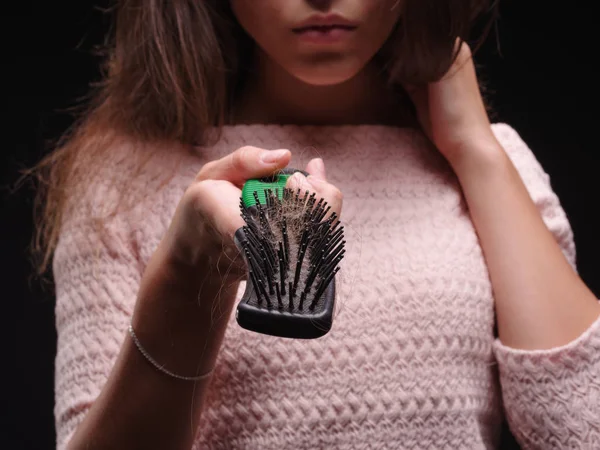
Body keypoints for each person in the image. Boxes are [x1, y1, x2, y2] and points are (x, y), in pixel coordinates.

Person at [28, 1, 600, 449]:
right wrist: (186, 280)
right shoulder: (124, 180)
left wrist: (475, 151)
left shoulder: (490, 166)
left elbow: (580, 433)